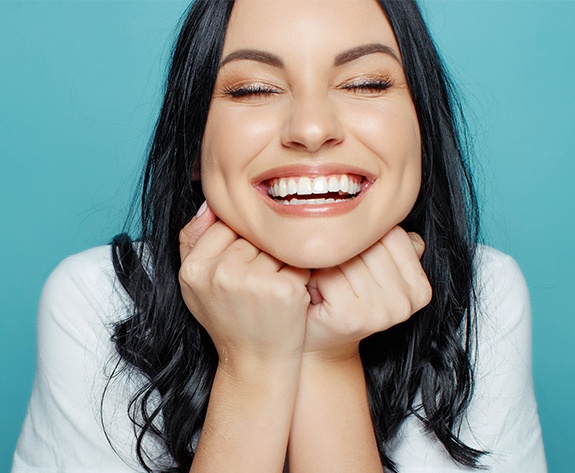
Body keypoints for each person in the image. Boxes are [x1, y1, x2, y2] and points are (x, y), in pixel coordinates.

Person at [12, 0, 546, 472]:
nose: (311, 129)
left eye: (366, 83)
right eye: (253, 89)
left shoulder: (487, 295)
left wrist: (327, 360)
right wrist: (253, 368)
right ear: (194, 147)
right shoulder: (94, 300)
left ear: (423, 128)